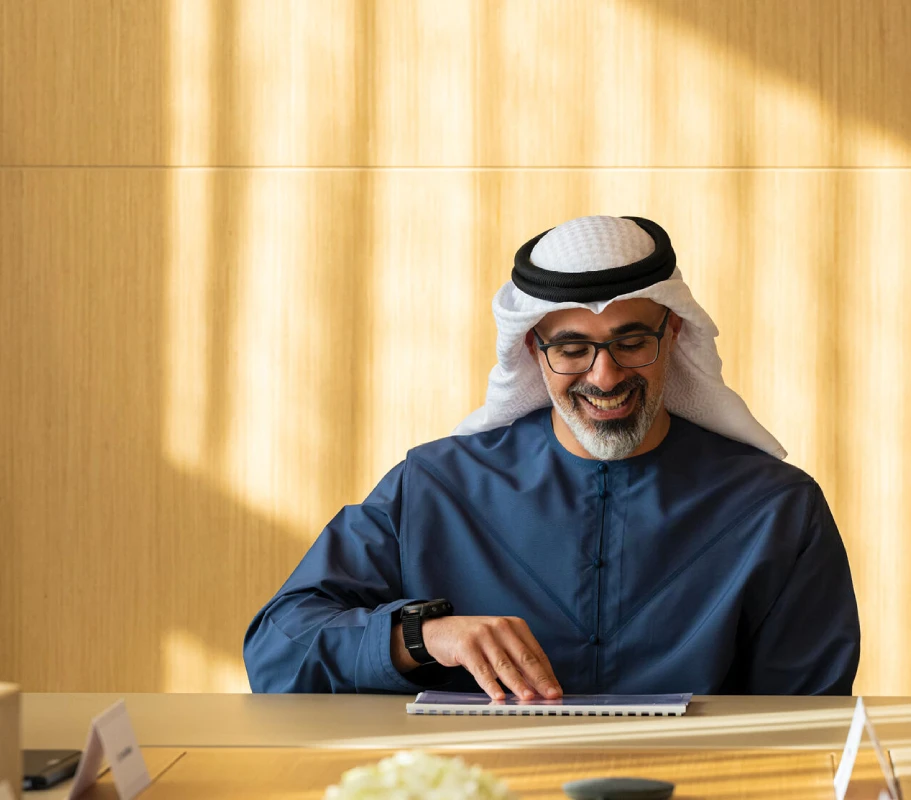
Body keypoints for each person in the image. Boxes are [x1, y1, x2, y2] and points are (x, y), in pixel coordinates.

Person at [244, 215, 860, 698]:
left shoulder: (777, 508)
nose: (606, 375)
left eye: (632, 341)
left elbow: (807, 717)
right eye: (572, 348)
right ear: (533, 352)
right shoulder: (433, 487)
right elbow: (277, 650)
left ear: (673, 334)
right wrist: (424, 636)